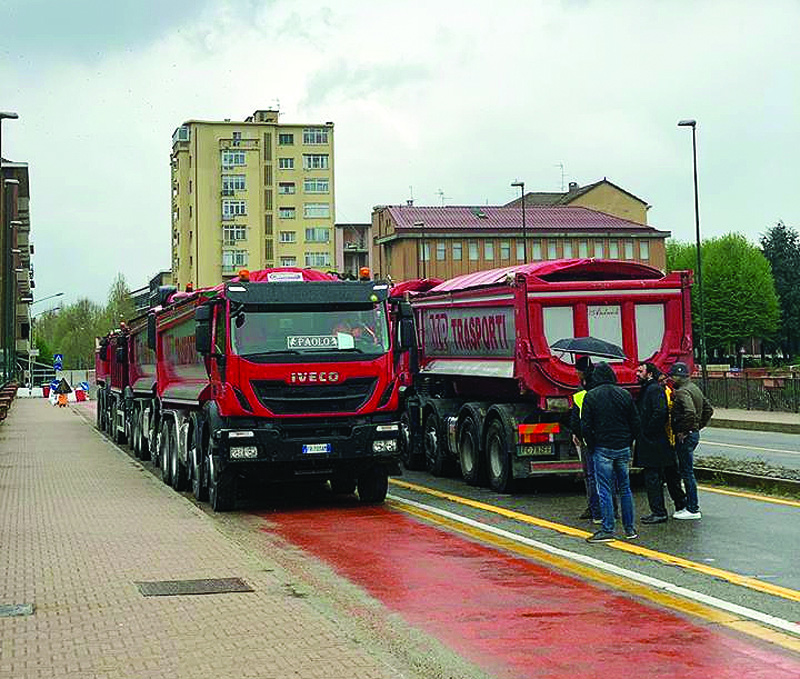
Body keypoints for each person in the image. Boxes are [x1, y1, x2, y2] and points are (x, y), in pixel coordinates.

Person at [580, 362, 640, 542]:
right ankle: (630, 529)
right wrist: (629, 442)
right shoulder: (624, 395)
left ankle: (608, 529)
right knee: (625, 488)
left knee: (605, 489)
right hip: (622, 447)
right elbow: (635, 422)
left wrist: (591, 446)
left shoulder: (591, 396)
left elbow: (586, 426)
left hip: (602, 448)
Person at [635, 362, 686, 524]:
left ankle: (660, 511)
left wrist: (647, 430)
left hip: (655, 440)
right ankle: (680, 505)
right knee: (668, 474)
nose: (636, 373)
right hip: (657, 440)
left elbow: (660, 412)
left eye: (640, 371)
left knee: (654, 477)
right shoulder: (651, 388)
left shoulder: (654, 389)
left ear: (649, 373)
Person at [668, 361, 714, 520]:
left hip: (686, 435)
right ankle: (692, 506)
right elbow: (709, 409)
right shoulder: (694, 388)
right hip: (693, 433)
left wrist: (685, 430)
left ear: (677, 377)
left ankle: (692, 508)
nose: (671, 379)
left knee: (686, 472)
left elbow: (689, 411)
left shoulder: (682, 392)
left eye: (672, 376)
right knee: (688, 471)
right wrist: (698, 427)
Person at [571, 356, 601, 523]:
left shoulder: (581, 394)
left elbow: (576, 419)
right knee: (607, 477)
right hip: (604, 438)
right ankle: (611, 509)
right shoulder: (602, 388)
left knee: (590, 475)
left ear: (582, 372)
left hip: (587, 440)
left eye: (577, 370)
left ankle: (595, 510)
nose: (575, 373)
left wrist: (578, 435)